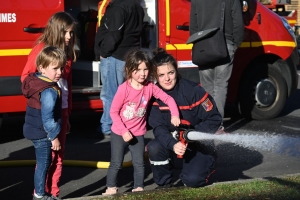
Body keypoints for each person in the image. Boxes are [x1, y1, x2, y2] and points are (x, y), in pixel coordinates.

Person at [102, 49, 180, 195]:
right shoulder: (123, 89)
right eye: (137, 70)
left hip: (138, 133)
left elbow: (169, 99)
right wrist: (124, 131)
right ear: (129, 69)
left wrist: (174, 114)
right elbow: (113, 112)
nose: (142, 73)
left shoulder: (149, 87)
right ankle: (111, 187)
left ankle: (138, 188)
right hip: (120, 132)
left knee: (139, 163)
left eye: (145, 69)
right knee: (116, 163)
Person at [147, 48, 223, 188]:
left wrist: (192, 134)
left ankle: (208, 161)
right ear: (155, 76)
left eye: (170, 72)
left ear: (176, 71)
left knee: (192, 181)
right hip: (175, 145)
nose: (167, 78)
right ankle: (164, 184)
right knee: (154, 147)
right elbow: (159, 129)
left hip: (199, 144)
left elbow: (214, 118)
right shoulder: (153, 97)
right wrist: (173, 144)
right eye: (161, 75)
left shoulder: (193, 91)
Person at [21, 11, 77, 200]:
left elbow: (67, 86)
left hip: (61, 111)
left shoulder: (67, 53)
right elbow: (26, 78)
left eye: (71, 33)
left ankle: (54, 193)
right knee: (46, 157)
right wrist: (44, 96)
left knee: (58, 156)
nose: (69, 36)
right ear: (55, 30)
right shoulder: (41, 50)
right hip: (46, 113)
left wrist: (68, 112)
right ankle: (41, 193)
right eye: (66, 32)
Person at [93, 0, 144, 138]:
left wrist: (103, 52)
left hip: (114, 56)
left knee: (110, 94)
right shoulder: (137, 7)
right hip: (128, 55)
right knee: (123, 93)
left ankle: (107, 126)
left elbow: (113, 34)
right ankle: (122, 124)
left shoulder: (118, 7)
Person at [22, 46, 67, 200]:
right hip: (42, 133)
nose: (60, 72)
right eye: (55, 68)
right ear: (41, 67)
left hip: (35, 129)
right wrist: (54, 137)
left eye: (61, 67)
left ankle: (42, 193)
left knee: (44, 163)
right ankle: (39, 195)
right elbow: (47, 118)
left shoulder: (36, 81)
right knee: (44, 163)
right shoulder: (48, 91)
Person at [189, 0, 244, 121]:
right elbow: (238, 25)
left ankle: (208, 122)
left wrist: (198, 44)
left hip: (204, 46)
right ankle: (217, 125)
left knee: (206, 87)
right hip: (225, 45)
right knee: (220, 86)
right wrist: (234, 45)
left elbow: (193, 27)